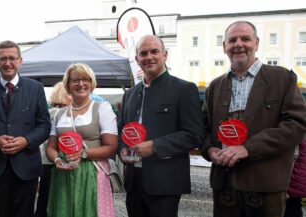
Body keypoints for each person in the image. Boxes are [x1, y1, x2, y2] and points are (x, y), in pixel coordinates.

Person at [201, 21, 306, 217]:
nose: (238, 44)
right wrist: (210, 150)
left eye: (245, 39)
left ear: (256, 43)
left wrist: (247, 148)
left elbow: (296, 124)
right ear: (224, 47)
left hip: (266, 186)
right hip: (224, 186)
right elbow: (204, 128)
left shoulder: (282, 78)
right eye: (232, 40)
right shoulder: (214, 86)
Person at [118, 35, 204, 217]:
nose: (149, 57)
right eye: (143, 53)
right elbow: (121, 131)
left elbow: (194, 135)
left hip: (165, 181)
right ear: (137, 59)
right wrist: (122, 149)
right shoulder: (130, 94)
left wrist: (155, 146)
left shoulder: (184, 88)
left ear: (165, 55)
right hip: (134, 180)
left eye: (154, 51)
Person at [0, 40, 51, 217]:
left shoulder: (35, 88)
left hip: (27, 166)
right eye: (3, 58)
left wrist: (26, 140)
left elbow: (45, 125)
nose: (8, 63)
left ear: (20, 61)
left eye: (12, 58)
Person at [45, 63, 118, 217]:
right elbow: (51, 147)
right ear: (68, 85)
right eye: (75, 80)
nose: (81, 84)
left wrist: (83, 154)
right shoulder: (59, 114)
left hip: (92, 172)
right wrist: (57, 160)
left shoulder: (102, 108)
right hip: (64, 174)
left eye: (86, 79)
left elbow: (111, 146)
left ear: (92, 83)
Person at [34, 81, 72, 217]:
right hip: (60, 160)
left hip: (45, 161)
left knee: (44, 200)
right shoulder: (64, 114)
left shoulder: (47, 113)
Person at [285, 139, 306, 217]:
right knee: (295, 205)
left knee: (291, 207)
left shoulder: (298, 137)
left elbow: (292, 160)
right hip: (301, 183)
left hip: (293, 183)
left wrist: (286, 186)